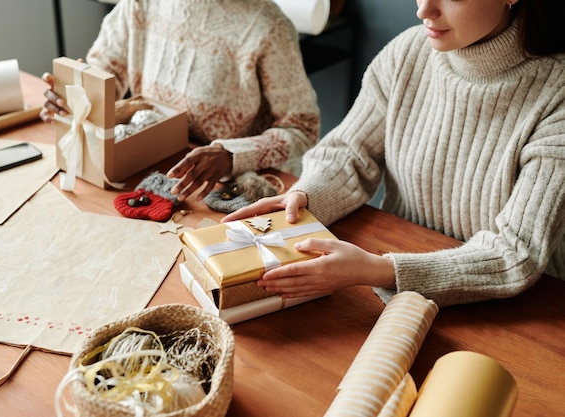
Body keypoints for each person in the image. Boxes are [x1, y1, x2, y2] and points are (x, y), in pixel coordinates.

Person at [222, 0, 565, 307]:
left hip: (520, 308)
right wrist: (307, 196)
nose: (423, 10)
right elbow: (349, 153)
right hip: (394, 262)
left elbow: (516, 253)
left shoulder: (557, 94)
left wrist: (379, 269)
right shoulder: (408, 53)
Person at [40, 0, 320, 200]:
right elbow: (103, 76)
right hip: (142, 170)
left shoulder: (268, 26)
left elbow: (302, 130)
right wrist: (73, 96)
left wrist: (232, 155)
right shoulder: (140, 4)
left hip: (222, 192)